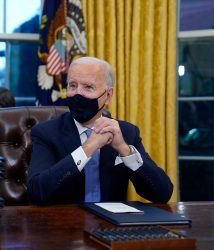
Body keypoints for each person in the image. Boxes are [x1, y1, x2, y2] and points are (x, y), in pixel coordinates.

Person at [27, 56, 173, 205]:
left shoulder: (127, 132)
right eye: (72, 86)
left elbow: (162, 194)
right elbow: (37, 192)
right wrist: (87, 149)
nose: (78, 93)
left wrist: (124, 149)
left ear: (108, 95)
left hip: (111, 225)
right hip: (65, 223)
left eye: (88, 87)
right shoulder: (46, 133)